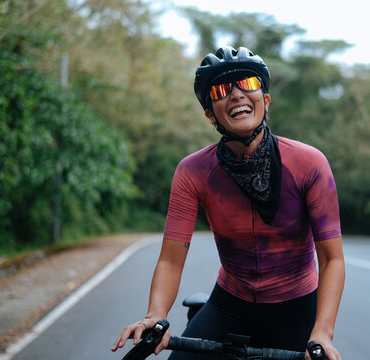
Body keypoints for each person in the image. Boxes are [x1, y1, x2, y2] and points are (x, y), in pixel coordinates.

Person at [111, 46, 345, 360]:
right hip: (230, 305)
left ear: (266, 99)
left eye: (247, 84)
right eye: (221, 90)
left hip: (297, 308)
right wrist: (155, 316)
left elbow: (331, 259)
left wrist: (322, 334)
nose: (235, 95)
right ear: (210, 113)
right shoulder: (193, 171)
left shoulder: (309, 164)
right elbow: (170, 259)